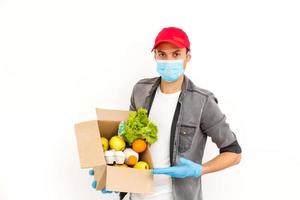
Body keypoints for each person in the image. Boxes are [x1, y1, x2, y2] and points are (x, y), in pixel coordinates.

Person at [89, 27, 242, 200]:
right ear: (155, 56)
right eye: (162, 54)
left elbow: (234, 153)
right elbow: (129, 142)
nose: (169, 60)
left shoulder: (202, 102)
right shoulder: (140, 90)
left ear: (187, 57)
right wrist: (115, 175)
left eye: (176, 54)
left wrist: (199, 170)